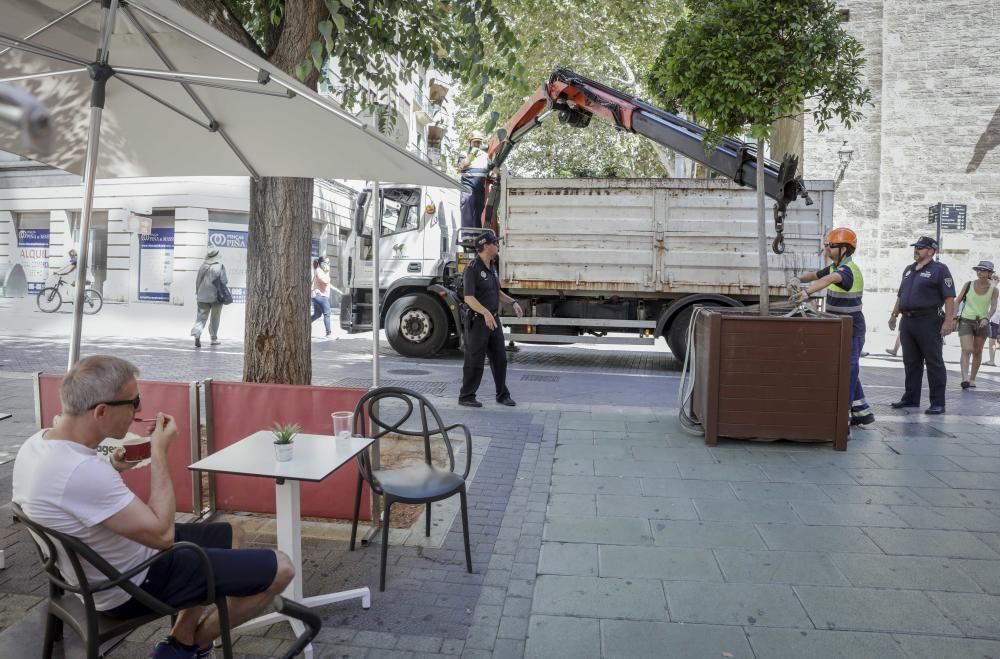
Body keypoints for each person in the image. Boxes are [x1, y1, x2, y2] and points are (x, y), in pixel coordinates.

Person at [11, 356, 293, 659]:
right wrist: (160, 453)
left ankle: (180, 640)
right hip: (132, 584)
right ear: (102, 411)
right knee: (282, 569)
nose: (139, 411)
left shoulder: (37, 445)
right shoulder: (82, 471)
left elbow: (70, 494)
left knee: (233, 534)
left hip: (105, 568)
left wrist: (111, 465)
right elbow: (163, 535)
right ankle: (193, 643)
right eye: (134, 402)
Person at [790, 227, 874, 426]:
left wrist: (806, 293)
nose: (827, 249)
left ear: (844, 249)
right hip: (839, 328)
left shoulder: (846, 271)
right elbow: (817, 274)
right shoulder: (835, 267)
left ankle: (841, 418)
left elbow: (828, 280)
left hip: (852, 330)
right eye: (827, 246)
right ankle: (862, 412)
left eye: (831, 246)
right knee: (847, 369)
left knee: (849, 370)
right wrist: (799, 279)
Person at [888, 236, 956, 415]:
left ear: (931, 251)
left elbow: (949, 298)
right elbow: (901, 295)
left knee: (934, 362)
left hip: (929, 321)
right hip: (908, 321)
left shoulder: (940, 270)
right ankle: (911, 398)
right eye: (916, 247)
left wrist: (949, 321)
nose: (916, 250)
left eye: (920, 247)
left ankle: (938, 403)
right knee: (911, 361)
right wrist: (894, 315)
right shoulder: (909, 270)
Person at [459, 232, 524, 407]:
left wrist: (513, 302)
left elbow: (496, 292)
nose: (498, 245)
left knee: (500, 358)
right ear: (487, 246)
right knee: (475, 360)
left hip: (493, 320)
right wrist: (485, 312)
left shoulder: (492, 265)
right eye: (495, 242)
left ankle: (502, 395)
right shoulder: (472, 268)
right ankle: (466, 396)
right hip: (478, 321)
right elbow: (469, 298)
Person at [954, 260, 998, 388]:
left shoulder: (994, 290)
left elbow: (994, 307)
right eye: (978, 270)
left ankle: (972, 379)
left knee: (977, 351)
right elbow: (957, 301)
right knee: (967, 349)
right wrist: (955, 316)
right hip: (966, 320)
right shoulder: (968, 285)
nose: (979, 272)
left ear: (990, 273)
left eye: (983, 270)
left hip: (982, 322)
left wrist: (987, 318)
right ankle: (965, 378)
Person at [190, 249, 227, 348]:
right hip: (216, 297)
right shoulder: (220, 266)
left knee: (201, 318)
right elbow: (224, 281)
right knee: (215, 318)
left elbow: (198, 282)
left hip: (202, 297)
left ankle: (197, 334)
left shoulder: (203, 266)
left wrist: (198, 293)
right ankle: (213, 339)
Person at [458, 130, 490, 229]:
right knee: (467, 208)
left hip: (479, 188)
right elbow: (463, 165)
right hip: (468, 187)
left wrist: (501, 173)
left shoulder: (485, 156)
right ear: (470, 142)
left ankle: (477, 236)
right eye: (475, 142)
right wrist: (472, 154)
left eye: (479, 142)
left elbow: (492, 167)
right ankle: (467, 237)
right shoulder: (464, 153)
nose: (477, 144)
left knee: (478, 211)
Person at [310, 256, 332, 338]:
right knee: (327, 313)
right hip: (321, 296)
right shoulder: (319, 270)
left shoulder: (320, 270)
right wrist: (327, 273)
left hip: (317, 296)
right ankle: (329, 333)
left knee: (317, 314)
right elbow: (325, 281)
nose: (328, 264)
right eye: (327, 262)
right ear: (321, 263)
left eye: (329, 262)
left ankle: (305, 323)